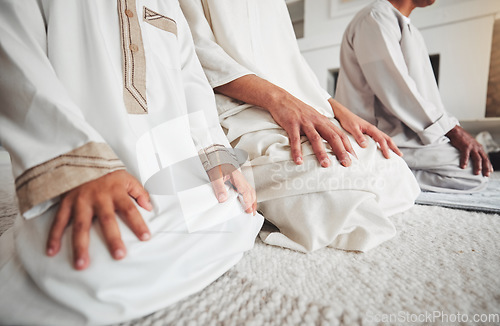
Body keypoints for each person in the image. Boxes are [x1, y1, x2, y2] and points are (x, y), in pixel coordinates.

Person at [0, 1, 263, 324]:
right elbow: (13, 54)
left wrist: (212, 149)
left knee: (231, 204)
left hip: (170, 169)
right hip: (85, 168)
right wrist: (81, 166)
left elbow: (189, 77)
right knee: (92, 261)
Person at [179, 0, 420, 253]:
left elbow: (290, 62)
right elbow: (194, 50)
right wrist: (277, 100)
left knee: (389, 162)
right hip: (235, 107)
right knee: (333, 197)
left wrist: (338, 110)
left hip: (295, 102)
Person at [336, 0, 493, 193]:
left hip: (408, 131)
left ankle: (381, 171)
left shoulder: (411, 30)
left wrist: (448, 129)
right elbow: (395, 89)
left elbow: (423, 94)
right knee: (472, 173)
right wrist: (451, 129)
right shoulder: (375, 18)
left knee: (474, 164)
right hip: (379, 134)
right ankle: (370, 170)